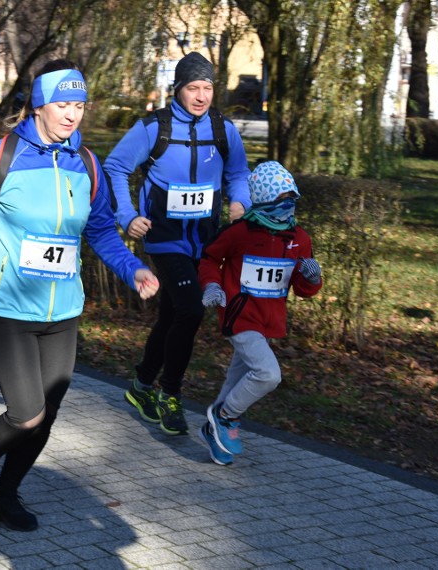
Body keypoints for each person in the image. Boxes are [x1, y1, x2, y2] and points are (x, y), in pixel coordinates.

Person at [0, 60, 159, 531]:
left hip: (63, 309)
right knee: (26, 413)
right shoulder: (1, 156)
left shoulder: (86, 163)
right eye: (63, 103)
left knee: (48, 414)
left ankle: (8, 492)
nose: (72, 114)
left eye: (79, 105)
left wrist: (133, 269)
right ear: (38, 105)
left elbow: (100, 230)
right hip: (6, 305)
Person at [103, 52, 251, 436]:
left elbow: (238, 172)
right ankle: (171, 393)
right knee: (190, 310)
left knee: (172, 315)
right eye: (193, 88)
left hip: (205, 240)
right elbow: (115, 167)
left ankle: (140, 385)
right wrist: (127, 215)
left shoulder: (223, 129)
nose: (201, 96)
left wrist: (240, 201)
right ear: (178, 89)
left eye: (207, 88)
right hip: (165, 238)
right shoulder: (154, 127)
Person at [197, 161, 322, 464]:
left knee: (236, 379)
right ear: (264, 201)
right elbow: (210, 258)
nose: (288, 207)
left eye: (292, 200)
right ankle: (225, 417)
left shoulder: (299, 239)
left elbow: (303, 289)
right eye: (281, 201)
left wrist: (312, 278)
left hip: (270, 321)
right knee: (268, 374)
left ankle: (214, 433)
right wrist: (212, 286)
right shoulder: (239, 233)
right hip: (240, 316)